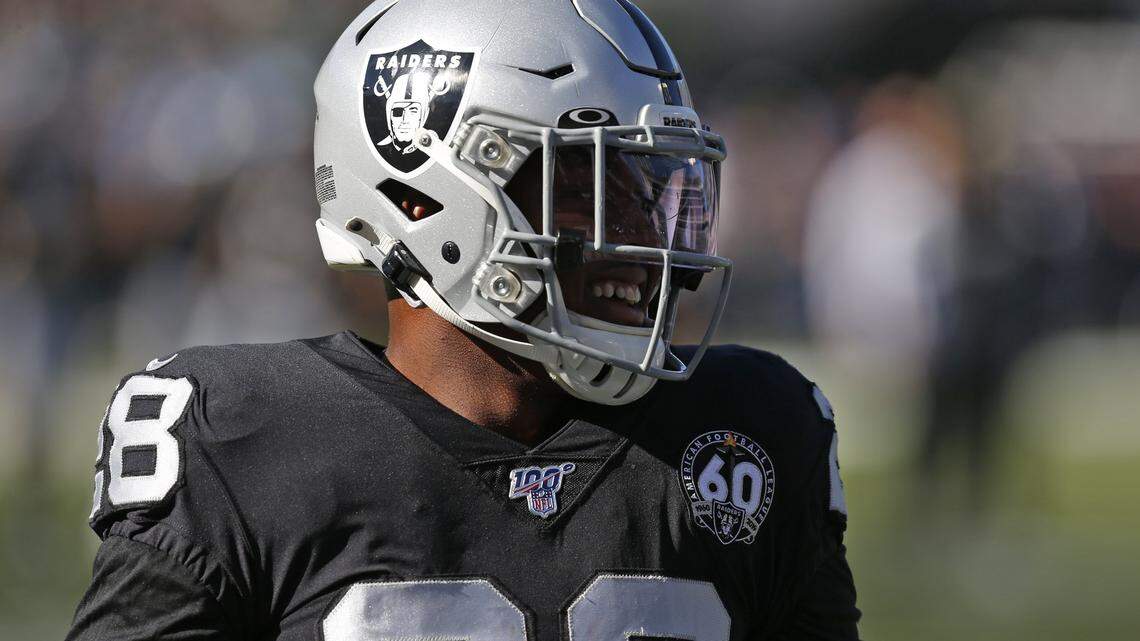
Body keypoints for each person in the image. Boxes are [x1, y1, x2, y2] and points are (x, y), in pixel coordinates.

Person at [67, 1, 860, 639]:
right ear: (419, 196)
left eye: (654, 193)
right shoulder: (238, 446)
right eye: (589, 187)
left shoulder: (749, 431)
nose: (645, 242)